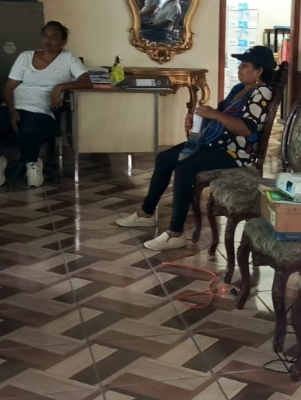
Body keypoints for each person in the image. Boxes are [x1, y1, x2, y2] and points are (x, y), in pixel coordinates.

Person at [116, 46, 276, 250]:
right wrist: (199, 118)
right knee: (165, 158)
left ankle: (176, 233)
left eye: (244, 65)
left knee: (184, 166)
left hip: (236, 153)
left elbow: (246, 129)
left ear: (259, 70)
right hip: (215, 143)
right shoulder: (239, 89)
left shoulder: (262, 93)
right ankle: (146, 214)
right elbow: (222, 118)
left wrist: (214, 114)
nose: (239, 68)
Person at [0, 21, 91, 188]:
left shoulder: (68, 58)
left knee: (29, 128)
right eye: (45, 36)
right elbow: (9, 87)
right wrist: (12, 113)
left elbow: (86, 82)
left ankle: (33, 163)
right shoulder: (25, 57)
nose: (48, 40)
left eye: (54, 37)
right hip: (15, 106)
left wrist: (60, 87)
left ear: (63, 41)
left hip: (42, 110)